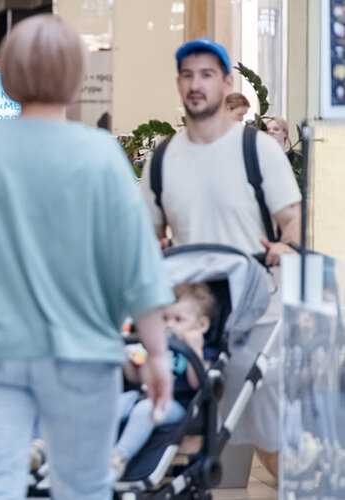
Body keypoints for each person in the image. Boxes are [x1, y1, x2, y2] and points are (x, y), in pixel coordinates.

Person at [0, 15, 174, 499]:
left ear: (8, 76)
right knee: (84, 486)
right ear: (75, 77)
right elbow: (138, 265)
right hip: (83, 355)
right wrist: (155, 353)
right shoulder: (100, 155)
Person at [139, 38, 302, 479]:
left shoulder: (259, 150)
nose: (197, 84)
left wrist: (287, 245)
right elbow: (150, 237)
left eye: (207, 75)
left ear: (225, 82)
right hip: (193, 322)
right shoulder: (163, 159)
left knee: (272, 443)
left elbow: (292, 219)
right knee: (177, 436)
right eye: (188, 75)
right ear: (179, 84)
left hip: (257, 314)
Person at [111, 282, 214, 479]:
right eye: (165, 318)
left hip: (178, 404)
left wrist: (195, 351)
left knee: (146, 409)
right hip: (143, 395)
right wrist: (126, 358)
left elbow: (196, 384)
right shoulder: (156, 345)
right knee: (116, 403)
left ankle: (119, 457)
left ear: (201, 325)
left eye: (178, 319)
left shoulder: (203, 349)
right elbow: (135, 378)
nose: (169, 325)